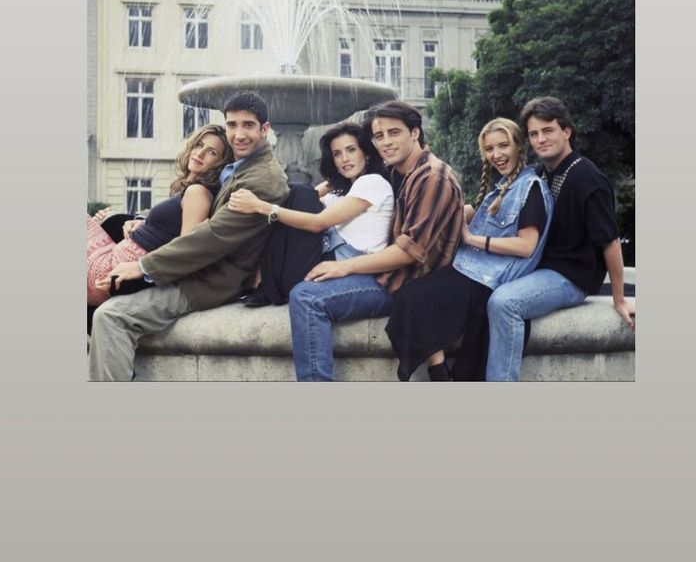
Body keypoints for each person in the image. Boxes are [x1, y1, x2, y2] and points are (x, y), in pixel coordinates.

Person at [88, 91, 289, 381]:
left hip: (209, 281)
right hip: (197, 270)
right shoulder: (243, 167)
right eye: (232, 125)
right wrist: (139, 222)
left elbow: (212, 236)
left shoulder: (262, 179)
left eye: (248, 125)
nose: (239, 134)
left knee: (111, 316)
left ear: (265, 129)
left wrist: (142, 267)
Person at [287, 100, 465, 381]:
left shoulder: (432, 177)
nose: (385, 143)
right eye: (378, 136)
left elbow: (409, 253)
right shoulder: (399, 171)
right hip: (390, 274)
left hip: (405, 283)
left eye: (394, 133)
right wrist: (326, 184)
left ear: (415, 132)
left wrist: (344, 267)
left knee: (307, 297)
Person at [386, 117, 554, 381]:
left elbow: (526, 246)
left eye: (503, 146)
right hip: (470, 270)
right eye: (489, 149)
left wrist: (471, 239)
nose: (496, 155)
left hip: (486, 281)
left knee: (411, 297)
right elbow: (473, 213)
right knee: (410, 285)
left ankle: (439, 373)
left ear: (519, 147)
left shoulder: (530, 188)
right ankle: (441, 370)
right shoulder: (500, 187)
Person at [484, 96, 635, 381]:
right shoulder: (540, 173)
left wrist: (619, 298)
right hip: (541, 269)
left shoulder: (588, 178)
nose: (540, 139)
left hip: (572, 276)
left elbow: (610, 241)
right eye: (533, 134)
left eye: (548, 130)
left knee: (504, 302)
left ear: (566, 131)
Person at [227, 122, 395, 296]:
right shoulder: (344, 194)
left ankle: (259, 278)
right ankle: (261, 278)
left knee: (299, 191)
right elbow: (306, 199)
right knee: (296, 193)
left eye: (351, 150)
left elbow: (317, 223)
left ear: (366, 154)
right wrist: (334, 181)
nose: (344, 159)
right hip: (320, 263)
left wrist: (261, 206)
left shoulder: (373, 182)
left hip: (346, 265)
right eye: (337, 154)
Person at [86, 125, 233, 306]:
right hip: (114, 262)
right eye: (199, 145)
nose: (200, 153)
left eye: (211, 152)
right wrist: (141, 222)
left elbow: (187, 249)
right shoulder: (188, 189)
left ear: (220, 165)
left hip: (113, 269)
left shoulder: (198, 193)